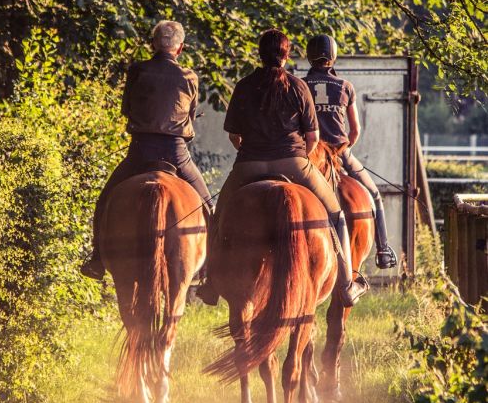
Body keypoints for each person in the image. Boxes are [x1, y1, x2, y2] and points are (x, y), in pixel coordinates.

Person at [197, 28, 368, 307]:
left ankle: (211, 282)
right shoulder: (298, 87)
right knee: (336, 214)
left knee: (218, 215)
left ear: (260, 54)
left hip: (249, 165)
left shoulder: (243, 86)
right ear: (286, 56)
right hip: (294, 164)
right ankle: (347, 284)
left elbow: (234, 136)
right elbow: (312, 138)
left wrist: (252, 153)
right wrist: (299, 157)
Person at [81, 20, 214, 280]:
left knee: (104, 200)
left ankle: (97, 258)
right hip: (176, 152)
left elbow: (126, 109)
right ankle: (211, 269)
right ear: (181, 48)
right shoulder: (189, 76)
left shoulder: (138, 70)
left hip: (140, 150)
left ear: (153, 44)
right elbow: (190, 115)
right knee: (209, 205)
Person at [303, 34, 397, 269]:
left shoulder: (300, 85)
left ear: (309, 57)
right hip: (340, 154)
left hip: (308, 156)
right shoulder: (345, 86)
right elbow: (355, 130)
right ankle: (384, 250)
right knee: (374, 194)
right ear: (333, 57)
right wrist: (345, 151)